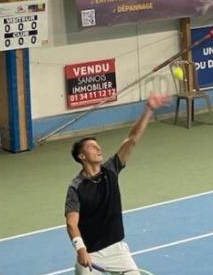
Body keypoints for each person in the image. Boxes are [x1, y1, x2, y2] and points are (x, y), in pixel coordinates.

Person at [65, 93, 169, 274]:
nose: (98, 148)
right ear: (81, 156)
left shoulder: (111, 169)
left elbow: (132, 140)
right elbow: (71, 223)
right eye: (91, 147)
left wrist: (149, 109)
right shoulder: (76, 187)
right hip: (91, 253)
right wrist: (80, 248)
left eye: (97, 146)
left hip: (118, 250)